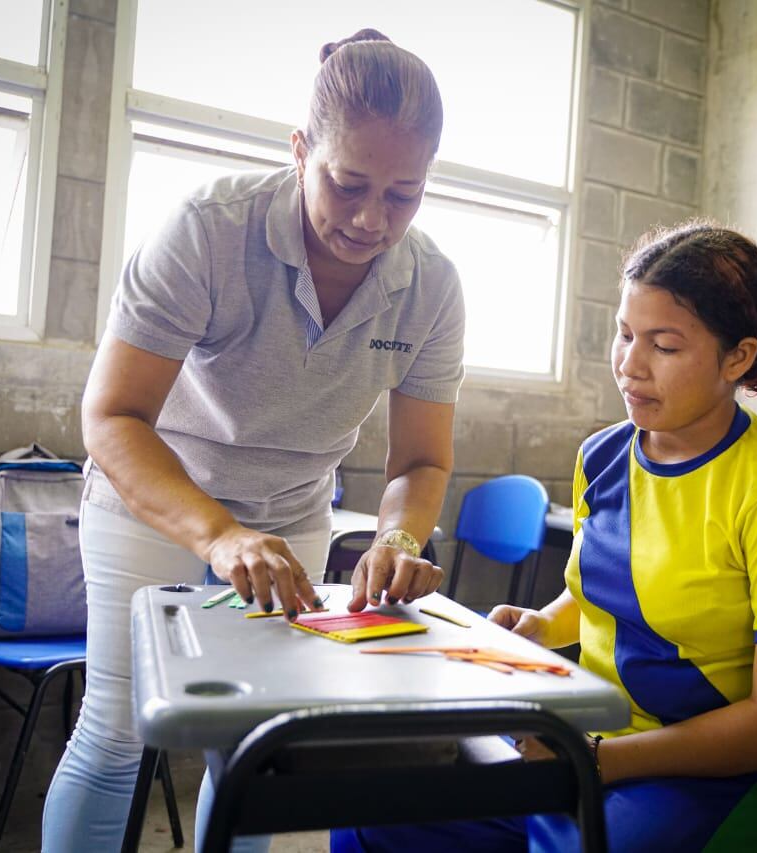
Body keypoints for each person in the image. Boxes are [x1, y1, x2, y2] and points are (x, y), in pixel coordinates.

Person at [41, 29, 464, 851]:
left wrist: (399, 533)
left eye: (404, 195)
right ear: (300, 150)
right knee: (119, 730)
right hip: (154, 498)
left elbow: (421, 460)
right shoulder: (210, 227)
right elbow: (112, 416)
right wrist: (218, 534)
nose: (372, 219)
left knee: (255, 747)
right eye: (349, 185)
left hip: (290, 513)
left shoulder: (432, 285)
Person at [334, 221, 757, 852]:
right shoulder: (604, 456)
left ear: (738, 358)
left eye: (663, 346)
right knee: (368, 815)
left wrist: (602, 759)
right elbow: (600, 597)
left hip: (730, 777)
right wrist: (539, 627)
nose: (629, 365)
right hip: (594, 742)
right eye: (625, 334)